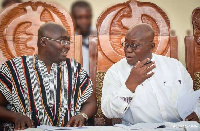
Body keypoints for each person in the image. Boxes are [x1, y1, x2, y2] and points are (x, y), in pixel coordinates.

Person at [0, 22, 97, 130]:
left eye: (68, 41)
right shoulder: (14, 68)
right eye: (63, 41)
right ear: (43, 42)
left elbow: (91, 102)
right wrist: (15, 117)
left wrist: (82, 115)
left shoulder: (75, 68)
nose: (68, 46)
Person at [101, 23, 200, 124]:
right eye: (126, 44)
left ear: (151, 46)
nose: (128, 50)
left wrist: (195, 113)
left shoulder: (175, 66)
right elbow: (108, 112)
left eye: (135, 46)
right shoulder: (115, 72)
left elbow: (191, 100)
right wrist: (130, 85)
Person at [71, 1, 96, 74]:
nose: (84, 21)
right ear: (72, 18)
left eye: (87, 17)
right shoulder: (67, 40)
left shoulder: (99, 37)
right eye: (79, 18)